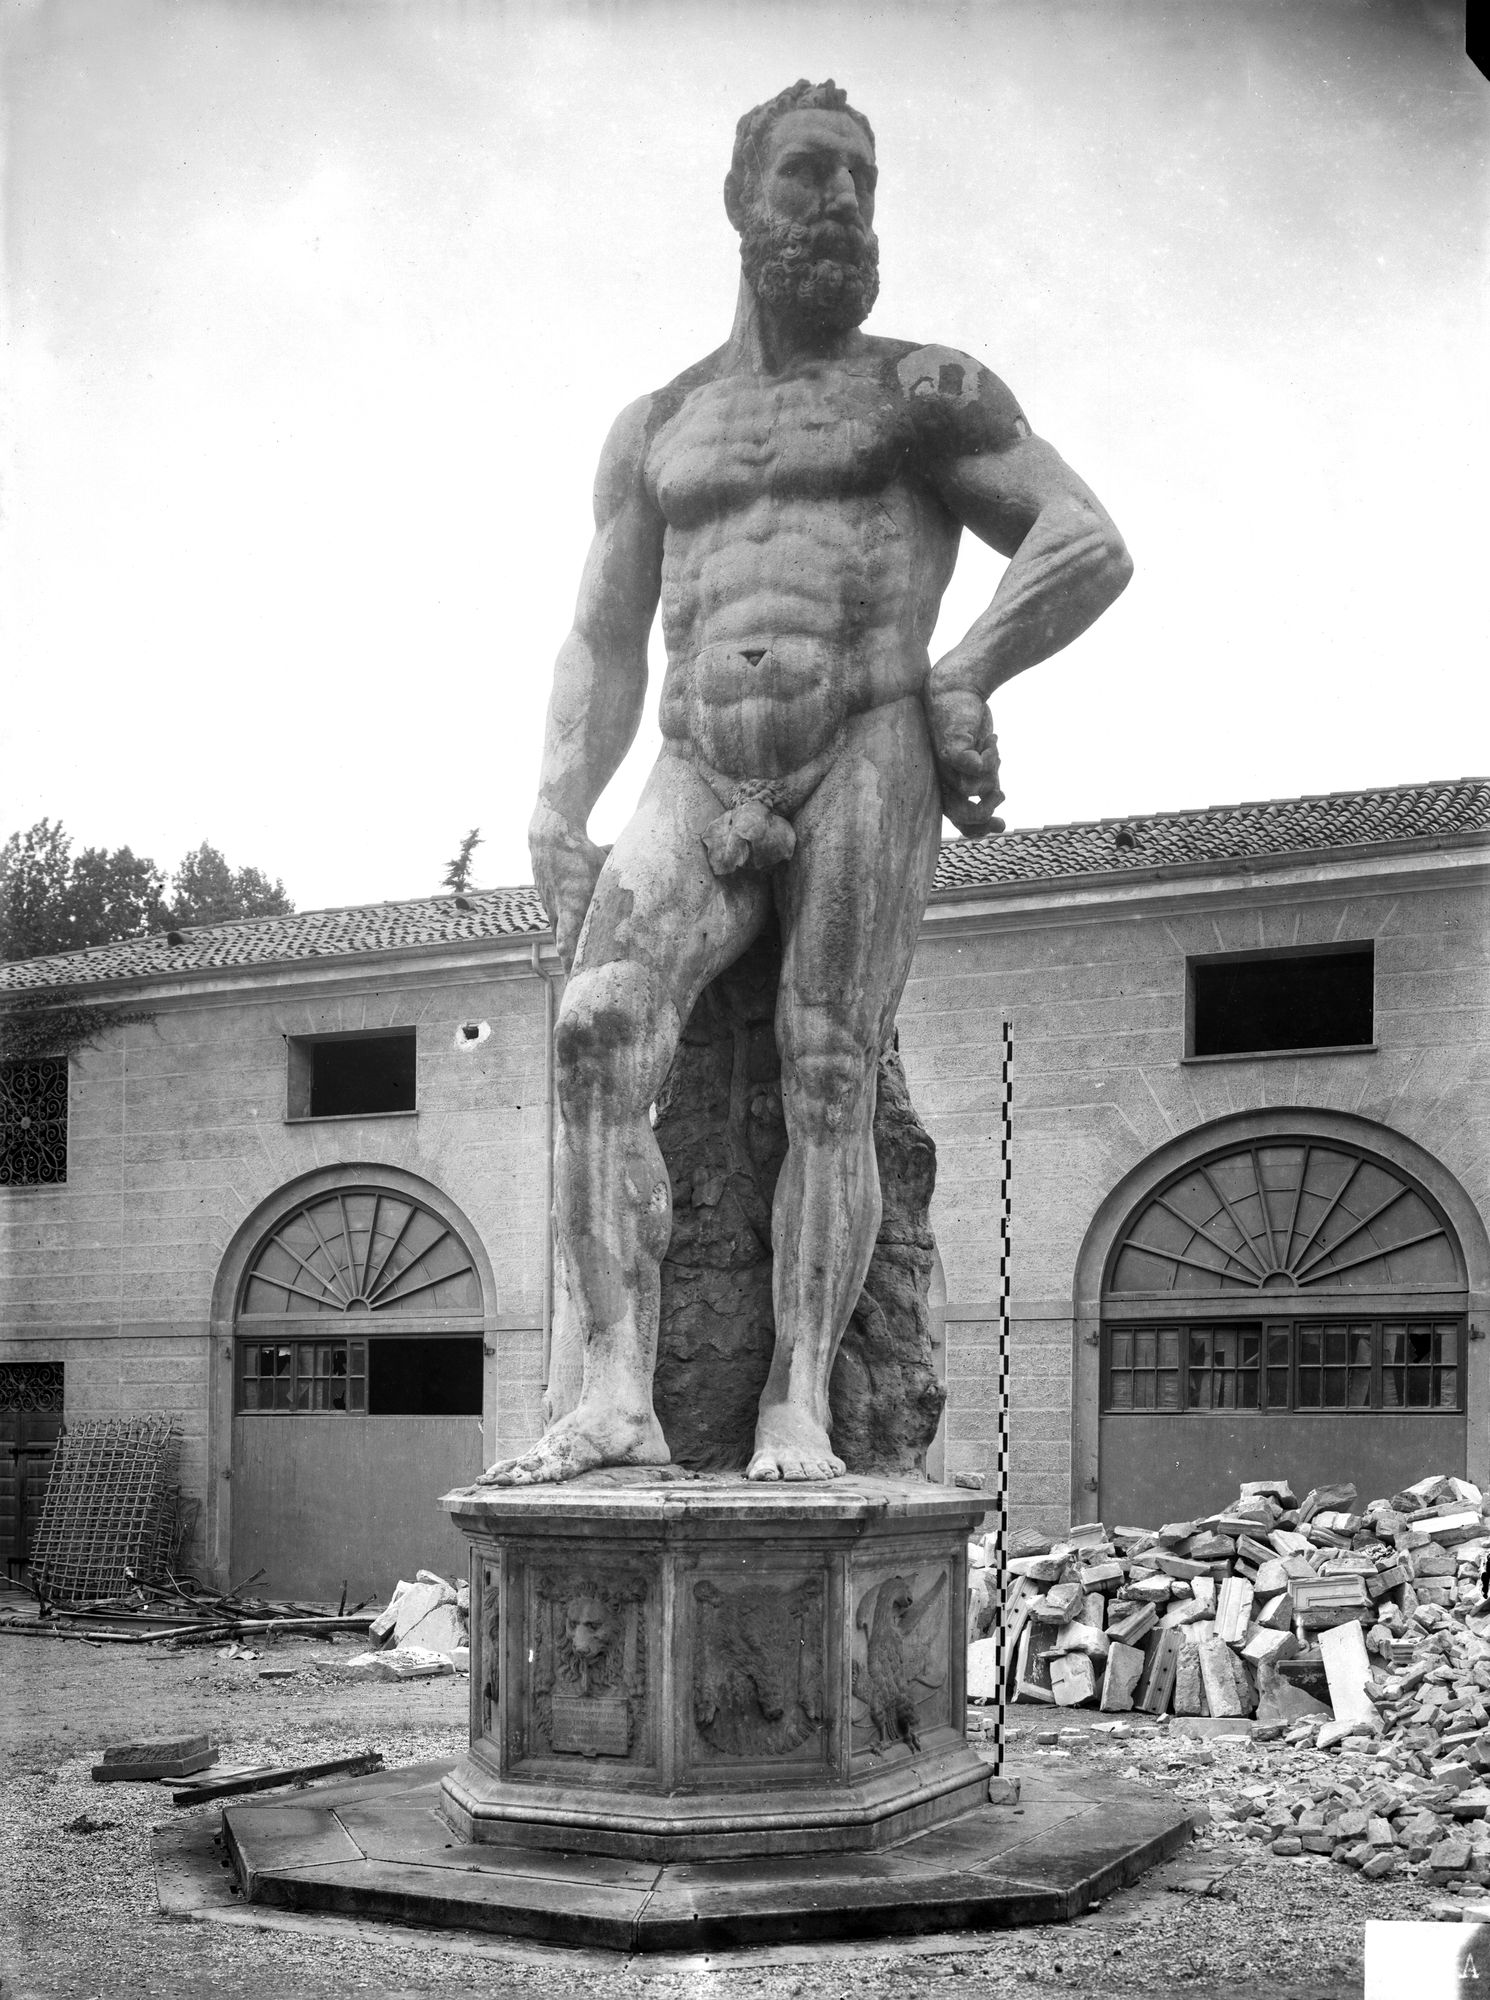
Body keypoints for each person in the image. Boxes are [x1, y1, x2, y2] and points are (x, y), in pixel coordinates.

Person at [484, 79, 1131, 1487]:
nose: (839, 204)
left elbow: (1081, 541)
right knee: (596, 1027)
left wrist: (964, 674)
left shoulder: (921, 387)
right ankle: (615, 1392)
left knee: (824, 1064)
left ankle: (797, 1401)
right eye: (807, 176)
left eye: (859, 181)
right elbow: (598, 633)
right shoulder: (656, 424)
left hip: (867, 740)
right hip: (693, 754)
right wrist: (553, 801)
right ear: (741, 202)